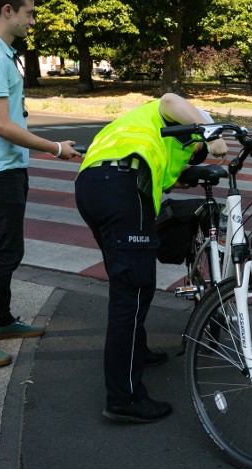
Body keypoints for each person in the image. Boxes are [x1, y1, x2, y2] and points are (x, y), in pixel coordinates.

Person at [75, 93, 228, 424]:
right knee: (130, 290)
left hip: (94, 185)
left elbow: (167, 174)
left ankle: (136, 353)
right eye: (197, 147)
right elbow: (171, 99)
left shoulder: (142, 127)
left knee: (135, 281)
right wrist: (212, 132)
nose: (195, 153)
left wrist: (187, 174)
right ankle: (124, 398)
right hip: (121, 185)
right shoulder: (182, 119)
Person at [0, 0, 82, 367]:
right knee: (7, 253)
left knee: (3, 248)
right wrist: (56, 148)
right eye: (28, 13)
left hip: (3, 165)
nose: (33, 21)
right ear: (7, 10)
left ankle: (1, 320)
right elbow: (2, 125)